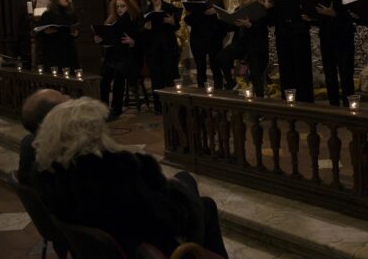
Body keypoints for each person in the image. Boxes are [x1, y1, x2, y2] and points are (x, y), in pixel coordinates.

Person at [31, 97, 228, 258]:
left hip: (107, 245)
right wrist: (175, 190)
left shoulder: (48, 174)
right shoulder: (115, 173)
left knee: (189, 189)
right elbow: (169, 218)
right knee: (202, 200)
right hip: (146, 248)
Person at [264, 0, 314, 102]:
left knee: (302, 71)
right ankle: (289, 101)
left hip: (300, 39)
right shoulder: (276, 2)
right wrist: (268, 8)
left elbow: (311, 18)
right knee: (287, 71)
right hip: (284, 39)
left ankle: (305, 101)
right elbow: (270, 22)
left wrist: (308, 18)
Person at [312, 0, 356, 106]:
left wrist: (334, 13)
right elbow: (320, 19)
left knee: (345, 75)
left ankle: (350, 107)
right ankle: (333, 107)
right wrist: (312, 18)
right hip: (327, 38)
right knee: (330, 75)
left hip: (344, 38)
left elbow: (354, 16)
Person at [95, 0, 141, 121]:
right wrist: (100, 39)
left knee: (118, 76)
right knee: (104, 79)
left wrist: (133, 41)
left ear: (129, 6)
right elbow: (107, 38)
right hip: (112, 55)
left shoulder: (134, 19)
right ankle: (103, 108)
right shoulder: (112, 19)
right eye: (117, 6)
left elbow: (142, 39)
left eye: (122, 6)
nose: (120, 9)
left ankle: (116, 109)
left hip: (129, 56)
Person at [218, 0, 269, 96]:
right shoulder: (238, 9)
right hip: (242, 44)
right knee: (222, 56)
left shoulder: (259, 8)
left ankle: (260, 101)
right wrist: (223, 17)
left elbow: (263, 31)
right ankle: (231, 83)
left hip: (257, 47)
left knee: (256, 74)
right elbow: (231, 27)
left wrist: (249, 25)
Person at [141, 0, 182, 116]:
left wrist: (172, 22)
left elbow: (177, 27)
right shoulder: (146, 11)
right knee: (156, 78)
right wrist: (145, 28)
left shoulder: (170, 8)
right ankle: (158, 106)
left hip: (168, 47)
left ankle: (171, 105)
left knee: (169, 76)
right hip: (152, 49)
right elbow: (141, 31)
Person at [184, 0, 227, 89]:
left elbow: (224, 16)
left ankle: (219, 94)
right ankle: (202, 97)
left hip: (214, 36)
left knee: (215, 66)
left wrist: (216, 12)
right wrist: (193, 15)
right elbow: (189, 21)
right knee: (200, 68)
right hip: (198, 37)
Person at [18, 89, 70, 185]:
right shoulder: (65, 151)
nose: (69, 97)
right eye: (62, 97)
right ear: (56, 117)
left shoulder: (29, 141)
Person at [36, 0, 79, 71]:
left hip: (69, 49)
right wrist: (46, 32)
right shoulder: (48, 14)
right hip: (53, 49)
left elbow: (76, 27)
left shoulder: (71, 13)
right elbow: (39, 31)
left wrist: (76, 33)